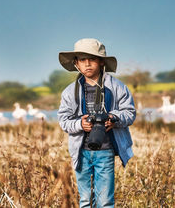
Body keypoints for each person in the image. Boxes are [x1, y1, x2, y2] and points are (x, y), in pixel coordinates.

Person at [58, 38, 136, 207]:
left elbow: (130, 113)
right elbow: (63, 120)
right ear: (76, 63)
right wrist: (80, 124)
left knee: (106, 201)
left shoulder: (117, 87)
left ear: (101, 62)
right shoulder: (70, 92)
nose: (87, 64)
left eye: (92, 59)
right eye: (82, 60)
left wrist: (114, 119)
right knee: (85, 200)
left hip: (105, 150)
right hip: (81, 152)